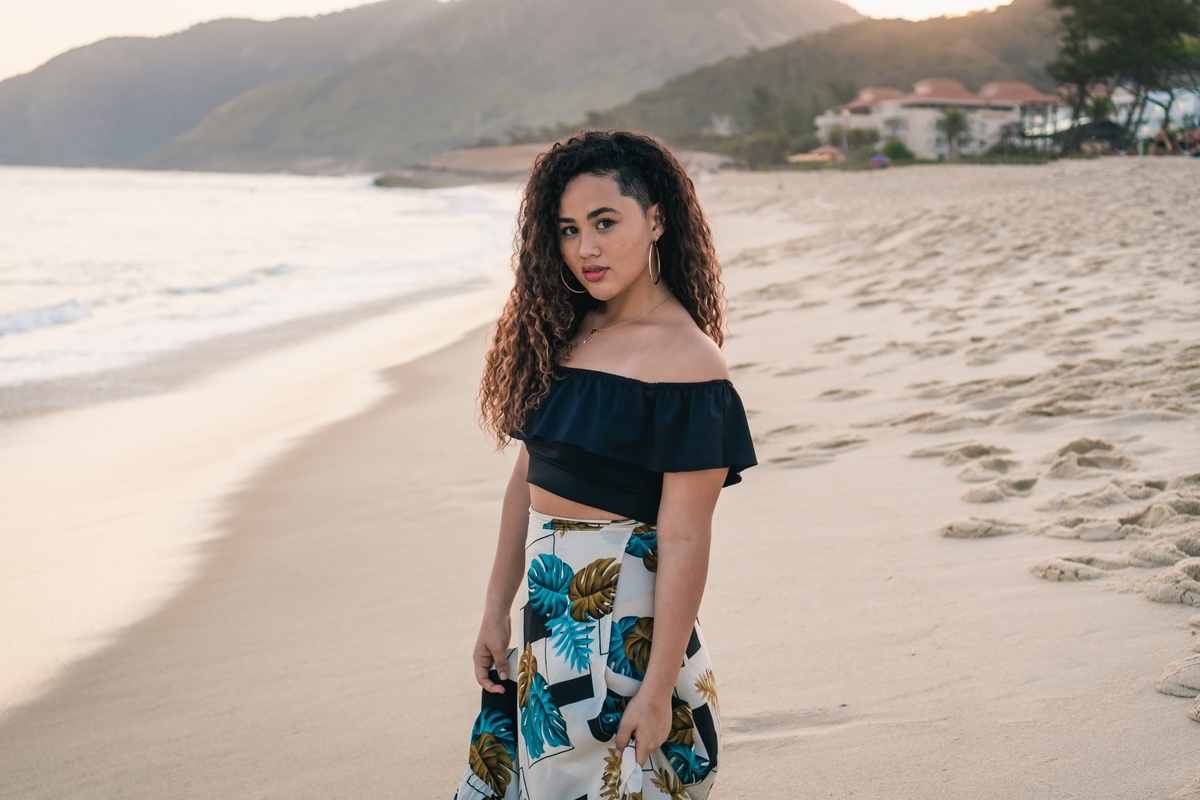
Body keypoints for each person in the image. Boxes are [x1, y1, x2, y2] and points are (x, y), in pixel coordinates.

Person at [453, 130, 757, 800]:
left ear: (656, 221)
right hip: (546, 621)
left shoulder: (690, 363)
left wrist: (655, 691)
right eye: (567, 229)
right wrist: (495, 611)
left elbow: (683, 538)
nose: (584, 248)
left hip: (627, 633)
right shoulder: (567, 333)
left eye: (604, 223)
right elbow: (524, 486)